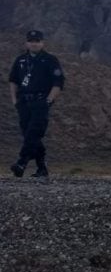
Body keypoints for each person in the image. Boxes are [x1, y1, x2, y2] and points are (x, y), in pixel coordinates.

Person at [8, 30, 65, 178]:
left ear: (42, 43)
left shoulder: (50, 60)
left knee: (34, 131)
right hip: (24, 102)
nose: (34, 43)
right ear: (26, 43)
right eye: (31, 41)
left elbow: (58, 83)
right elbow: (13, 80)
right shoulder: (20, 60)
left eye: (37, 41)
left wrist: (49, 100)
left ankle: (22, 162)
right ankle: (42, 168)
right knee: (30, 134)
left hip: (41, 101)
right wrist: (15, 100)